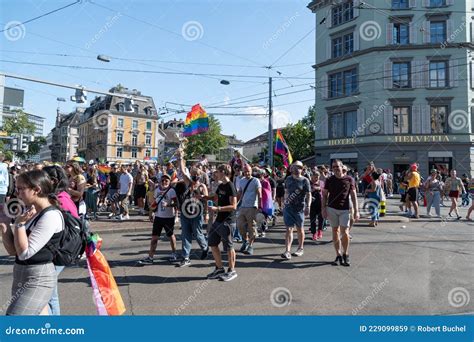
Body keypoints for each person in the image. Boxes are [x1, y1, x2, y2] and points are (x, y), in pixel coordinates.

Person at [1, 170, 64, 315]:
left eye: (21, 189)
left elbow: (24, 253)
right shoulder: (31, 212)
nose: (17, 193)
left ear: (36, 190)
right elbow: (13, 251)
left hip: (38, 277)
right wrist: (4, 225)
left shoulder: (51, 216)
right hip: (21, 274)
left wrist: (19, 224)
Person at [42, 165, 79, 315]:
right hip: (56, 251)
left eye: (42, 179)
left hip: (58, 252)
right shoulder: (61, 196)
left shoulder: (61, 199)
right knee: (49, 293)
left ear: (53, 181)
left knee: (47, 294)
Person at [175, 150, 209, 267]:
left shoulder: (202, 186)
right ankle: (186, 257)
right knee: (185, 234)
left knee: (197, 233)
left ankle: (205, 247)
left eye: (196, 174)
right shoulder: (189, 183)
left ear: (200, 176)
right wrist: (180, 159)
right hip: (185, 212)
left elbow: (206, 201)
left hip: (197, 213)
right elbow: (183, 172)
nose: (194, 176)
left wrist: (207, 214)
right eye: (193, 174)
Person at [322, 159, 359, 267]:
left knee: (345, 232)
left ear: (342, 167)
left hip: (345, 209)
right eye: (333, 167)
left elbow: (353, 196)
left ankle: (345, 254)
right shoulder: (329, 180)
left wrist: (357, 211)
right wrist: (323, 209)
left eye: (337, 166)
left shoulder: (349, 179)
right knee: (335, 230)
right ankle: (338, 254)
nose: (335, 169)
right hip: (332, 209)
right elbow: (324, 195)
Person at [207, 164, 238, 281]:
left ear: (224, 172)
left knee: (229, 247)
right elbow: (214, 198)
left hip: (228, 221)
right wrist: (202, 197)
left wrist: (218, 209)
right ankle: (219, 268)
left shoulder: (230, 186)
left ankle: (232, 271)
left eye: (217, 172)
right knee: (212, 243)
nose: (216, 174)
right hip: (218, 220)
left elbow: (233, 206)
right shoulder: (221, 186)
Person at [138, 174, 178, 265]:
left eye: (166, 180)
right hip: (158, 217)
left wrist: (169, 206)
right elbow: (155, 202)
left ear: (169, 182)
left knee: (171, 235)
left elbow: (176, 204)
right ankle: (150, 257)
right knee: (154, 238)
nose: (164, 182)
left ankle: (174, 254)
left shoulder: (171, 191)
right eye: (163, 180)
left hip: (169, 217)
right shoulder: (156, 190)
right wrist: (152, 212)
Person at [281, 161, 311, 260]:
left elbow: (308, 194)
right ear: (291, 168)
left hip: (300, 209)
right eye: (295, 166)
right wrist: (284, 203)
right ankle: (287, 251)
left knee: (299, 229)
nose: (296, 168)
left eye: (299, 167)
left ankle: (300, 248)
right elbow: (286, 192)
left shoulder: (305, 180)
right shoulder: (288, 179)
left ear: (302, 169)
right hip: (288, 208)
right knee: (289, 229)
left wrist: (308, 206)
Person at [236, 164, 261, 255]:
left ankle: (250, 246)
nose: (247, 173)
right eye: (245, 171)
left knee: (252, 227)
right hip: (242, 206)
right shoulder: (241, 181)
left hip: (252, 207)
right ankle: (245, 241)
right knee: (239, 225)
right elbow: (239, 193)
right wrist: (235, 203)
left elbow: (259, 193)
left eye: (248, 171)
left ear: (251, 171)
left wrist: (260, 206)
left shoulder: (256, 181)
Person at [309, 171, 324, 240]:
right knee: (313, 219)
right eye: (315, 176)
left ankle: (320, 231)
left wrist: (319, 189)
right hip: (312, 203)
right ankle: (314, 233)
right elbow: (305, 192)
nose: (316, 177)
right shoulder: (309, 183)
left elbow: (325, 191)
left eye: (318, 176)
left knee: (321, 218)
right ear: (312, 176)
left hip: (321, 203)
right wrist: (312, 190)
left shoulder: (321, 183)